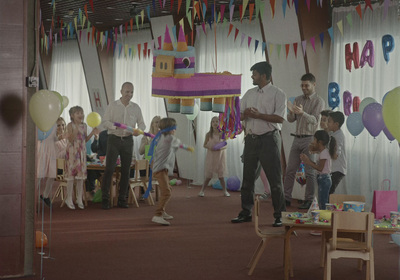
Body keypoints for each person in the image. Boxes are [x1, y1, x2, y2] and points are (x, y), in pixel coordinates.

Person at [231, 61, 286, 227]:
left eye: (254, 74)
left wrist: (259, 115)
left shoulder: (278, 94)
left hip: (270, 139)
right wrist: (245, 114)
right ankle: (245, 212)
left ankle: (279, 216)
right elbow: (237, 116)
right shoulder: (249, 93)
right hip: (251, 139)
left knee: (275, 181)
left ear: (263, 75)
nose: (252, 77)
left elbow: (280, 118)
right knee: (247, 180)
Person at [101, 82, 146, 210]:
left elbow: (142, 124)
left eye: (131, 92)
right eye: (127, 92)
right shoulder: (113, 105)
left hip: (128, 140)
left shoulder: (136, 107)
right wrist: (115, 126)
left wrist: (139, 130)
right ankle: (105, 198)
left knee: (126, 170)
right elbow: (105, 122)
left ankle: (122, 198)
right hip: (113, 139)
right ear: (121, 91)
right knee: (109, 169)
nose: (129, 95)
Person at [283, 73, 325, 210]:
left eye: (306, 85)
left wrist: (302, 113)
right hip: (297, 138)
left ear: (314, 84)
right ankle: (286, 198)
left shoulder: (319, 101)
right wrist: (291, 112)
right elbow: (291, 120)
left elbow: (315, 120)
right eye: (302, 85)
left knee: (310, 171)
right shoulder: (298, 99)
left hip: (310, 139)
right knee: (290, 170)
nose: (304, 88)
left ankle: (309, 200)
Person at [150, 117, 193, 226]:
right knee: (167, 192)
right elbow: (178, 144)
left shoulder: (161, 137)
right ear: (171, 129)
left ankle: (162, 211)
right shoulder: (170, 138)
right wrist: (188, 148)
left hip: (161, 169)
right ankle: (157, 215)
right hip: (160, 169)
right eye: (174, 128)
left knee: (168, 189)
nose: (175, 130)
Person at [64, 106, 98, 210]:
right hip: (72, 152)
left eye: (81, 113)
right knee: (71, 177)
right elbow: (70, 139)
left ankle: (79, 198)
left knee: (80, 177)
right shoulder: (70, 125)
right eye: (78, 113)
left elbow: (84, 139)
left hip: (82, 152)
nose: (81, 115)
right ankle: (68, 198)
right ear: (72, 116)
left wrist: (93, 133)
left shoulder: (85, 126)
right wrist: (76, 128)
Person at [300, 130, 337, 210]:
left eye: (314, 140)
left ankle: (323, 218)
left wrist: (308, 162)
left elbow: (320, 168)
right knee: (321, 200)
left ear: (319, 142)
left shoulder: (324, 153)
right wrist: (307, 160)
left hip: (324, 178)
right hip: (322, 178)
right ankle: (323, 216)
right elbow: (318, 166)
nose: (313, 142)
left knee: (322, 201)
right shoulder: (322, 152)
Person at [198, 116, 230, 197]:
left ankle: (225, 191)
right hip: (211, 156)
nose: (215, 123)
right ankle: (202, 190)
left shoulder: (222, 133)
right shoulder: (208, 134)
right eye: (213, 122)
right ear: (211, 124)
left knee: (221, 176)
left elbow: (226, 144)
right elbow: (204, 145)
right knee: (208, 176)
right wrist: (210, 147)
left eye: (217, 121)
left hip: (220, 156)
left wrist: (220, 148)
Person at [327, 111, 346, 195]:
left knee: (329, 191)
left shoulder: (338, 136)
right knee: (328, 190)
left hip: (337, 169)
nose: (327, 123)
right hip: (334, 168)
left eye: (329, 121)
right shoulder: (333, 134)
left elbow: (335, 156)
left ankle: (327, 207)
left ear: (336, 124)